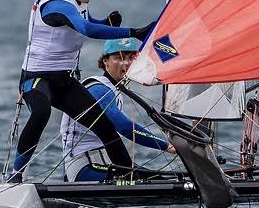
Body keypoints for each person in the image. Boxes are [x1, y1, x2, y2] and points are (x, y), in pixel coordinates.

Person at [10, 0, 157, 183]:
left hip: (63, 80)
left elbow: (86, 22)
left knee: (104, 126)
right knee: (41, 113)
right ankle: (15, 177)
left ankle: (128, 175)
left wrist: (105, 23)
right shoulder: (56, 5)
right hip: (37, 79)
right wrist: (133, 32)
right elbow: (86, 29)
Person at [60, 37, 175, 182]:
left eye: (131, 57)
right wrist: (166, 146)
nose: (126, 63)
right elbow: (125, 127)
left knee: (159, 179)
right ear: (105, 62)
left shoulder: (114, 89)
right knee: (143, 180)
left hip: (106, 163)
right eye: (118, 58)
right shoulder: (99, 88)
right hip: (83, 168)